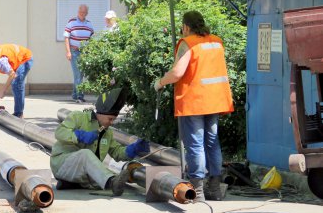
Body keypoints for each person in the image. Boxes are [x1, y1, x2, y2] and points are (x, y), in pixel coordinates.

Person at [154, 11, 234, 201]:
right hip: (215, 100)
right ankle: (214, 188)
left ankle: (197, 191)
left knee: (195, 145)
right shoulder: (216, 41)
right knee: (212, 143)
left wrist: (160, 82)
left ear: (186, 27)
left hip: (194, 101)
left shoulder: (188, 43)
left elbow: (177, 73)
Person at [50, 88, 150, 196]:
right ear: (100, 114)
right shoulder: (78, 117)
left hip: (80, 172)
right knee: (85, 154)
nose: (111, 123)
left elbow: (117, 152)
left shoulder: (107, 133)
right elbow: (59, 132)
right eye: (110, 119)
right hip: (61, 165)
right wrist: (78, 135)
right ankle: (112, 183)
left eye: (113, 119)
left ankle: (71, 183)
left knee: (98, 175)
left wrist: (132, 149)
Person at [0, 44, 33, 118]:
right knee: (17, 83)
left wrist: (3, 90)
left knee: (16, 84)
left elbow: (12, 75)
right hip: (16, 60)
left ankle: (19, 114)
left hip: (25, 59)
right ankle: (19, 113)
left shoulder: (1, 62)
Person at [64, 4, 94, 103]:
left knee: (80, 74)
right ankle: (79, 96)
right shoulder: (71, 22)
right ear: (78, 12)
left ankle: (74, 94)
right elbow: (66, 37)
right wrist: (68, 52)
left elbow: (91, 39)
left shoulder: (89, 24)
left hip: (84, 52)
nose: (82, 14)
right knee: (77, 73)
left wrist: (90, 51)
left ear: (87, 13)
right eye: (81, 12)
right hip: (74, 51)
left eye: (84, 12)